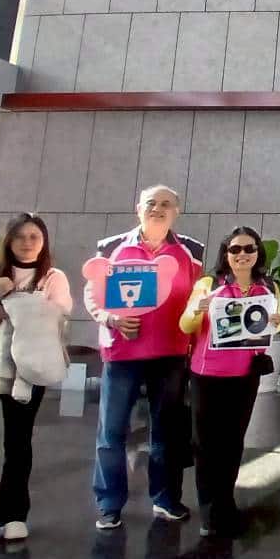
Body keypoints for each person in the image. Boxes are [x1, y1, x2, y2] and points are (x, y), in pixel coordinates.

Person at [87, 185, 203, 530]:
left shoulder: (192, 251)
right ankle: (109, 503)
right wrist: (111, 318)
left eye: (166, 204)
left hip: (170, 354)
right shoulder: (110, 247)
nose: (158, 209)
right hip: (121, 354)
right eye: (151, 203)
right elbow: (93, 294)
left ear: (177, 212)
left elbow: (197, 299)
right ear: (138, 208)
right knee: (112, 431)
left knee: (165, 431)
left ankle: (165, 499)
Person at [0, 213, 72, 545]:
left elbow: (60, 318)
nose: (27, 242)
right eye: (20, 236)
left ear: (44, 242)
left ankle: (14, 515)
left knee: (18, 445)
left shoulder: (53, 278)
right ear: (9, 241)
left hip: (27, 372)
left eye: (34, 236)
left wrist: (16, 311)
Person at [179, 226, 280, 537]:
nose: (242, 254)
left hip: (245, 376)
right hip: (207, 375)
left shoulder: (268, 287)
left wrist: (277, 322)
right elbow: (186, 325)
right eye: (235, 249)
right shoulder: (209, 284)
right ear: (225, 254)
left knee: (232, 443)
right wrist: (197, 309)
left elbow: (273, 327)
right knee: (206, 445)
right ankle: (209, 512)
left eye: (249, 248)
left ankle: (226, 503)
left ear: (258, 253)